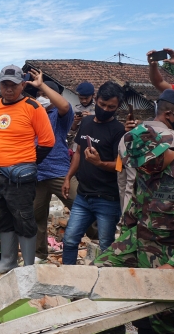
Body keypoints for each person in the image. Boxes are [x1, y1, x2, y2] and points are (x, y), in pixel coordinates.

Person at [95, 124, 174, 334]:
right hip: (139, 240)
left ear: (159, 153)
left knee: (162, 313)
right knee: (99, 278)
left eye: (145, 164)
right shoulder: (146, 169)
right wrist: (120, 243)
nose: (141, 169)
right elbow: (134, 211)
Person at [0, 65, 55, 277]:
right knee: (1, 217)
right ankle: (7, 261)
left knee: (24, 218)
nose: (9, 89)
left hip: (20, 176)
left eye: (13, 85)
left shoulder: (33, 107)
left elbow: (47, 142)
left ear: (22, 84)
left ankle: (28, 267)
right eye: (5, 84)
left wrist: (28, 163)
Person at [61, 81, 125, 265]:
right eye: (102, 104)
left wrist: (100, 163)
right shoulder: (87, 122)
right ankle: (68, 281)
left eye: (111, 107)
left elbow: (120, 166)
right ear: (96, 100)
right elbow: (79, 153)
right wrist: (68, 177)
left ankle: (103, 286)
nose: (105, 109)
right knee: (70, 240)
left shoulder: (119, 131)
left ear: (117, 107)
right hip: (83, 196)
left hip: (107, 199)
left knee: (106, 246)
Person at [26, 70, 78, 264]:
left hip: (59, 172)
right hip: (37, 173)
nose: (42, 98)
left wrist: (42, 85)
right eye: (39, 96)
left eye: (45, 95)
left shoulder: (60, 115)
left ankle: (99, 238)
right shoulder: (32, 114)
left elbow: (65, 105)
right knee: (36, 216)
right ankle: (40, 254)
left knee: (80, 204)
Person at [119, 89, 174, 213]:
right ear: (168, 115)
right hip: (165, 220)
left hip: (133, 215)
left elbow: (122, 180)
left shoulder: (128, 137)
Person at [67, 81, 95, 150]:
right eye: (81, 98)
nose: (84, 101)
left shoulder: (98, 108)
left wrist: (91, 117)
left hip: (94, 140)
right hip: (78, 142)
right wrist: (75, 122)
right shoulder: (76, 108)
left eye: (86, 98)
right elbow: (72, 129)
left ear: (93, 95)